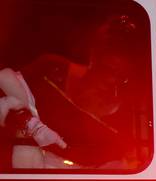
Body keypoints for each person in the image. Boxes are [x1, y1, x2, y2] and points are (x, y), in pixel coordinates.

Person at [0, 14, 143, 170]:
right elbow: (5, 92)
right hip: (18, 169)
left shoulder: (121, 118)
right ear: (94, 56)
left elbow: (108, 164)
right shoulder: (50, 69)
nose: (112, 80)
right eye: (107, 69)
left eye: (122, 77)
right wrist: (28, 127)